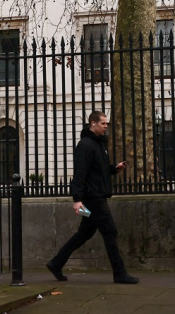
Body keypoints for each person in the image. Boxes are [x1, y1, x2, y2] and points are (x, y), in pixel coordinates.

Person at [46, 111, 139, 284]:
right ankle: (119, 273)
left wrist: (114, 168)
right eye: (103, 123)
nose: (106, 126)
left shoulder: (99, 145)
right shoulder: (85, 146)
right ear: (93, 123)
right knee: (110, 231)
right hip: (93, 199)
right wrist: (77, 200)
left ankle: (56, 263)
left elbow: (99, 170)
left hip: (95, 196)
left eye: (106, 123)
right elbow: (80, 174)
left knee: (85, 232)